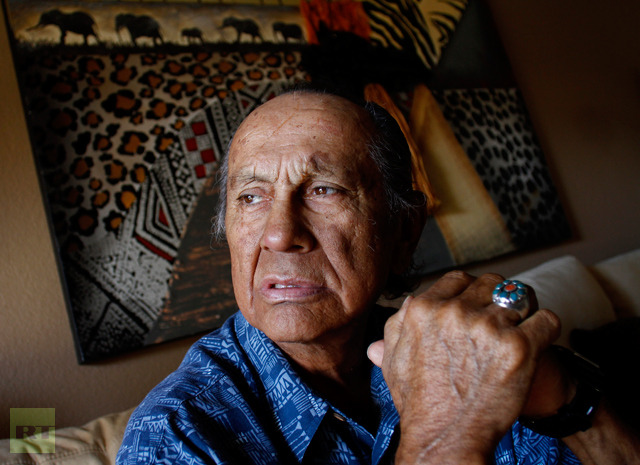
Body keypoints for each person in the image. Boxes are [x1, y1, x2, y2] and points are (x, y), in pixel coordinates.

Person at [117, 89, 639, 464]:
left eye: (325, 189)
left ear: (404, 231)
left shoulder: (456, 344)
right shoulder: (175, 435)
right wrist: (445, 436)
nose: (279, 235)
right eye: (251, 198)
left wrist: (563, 395)